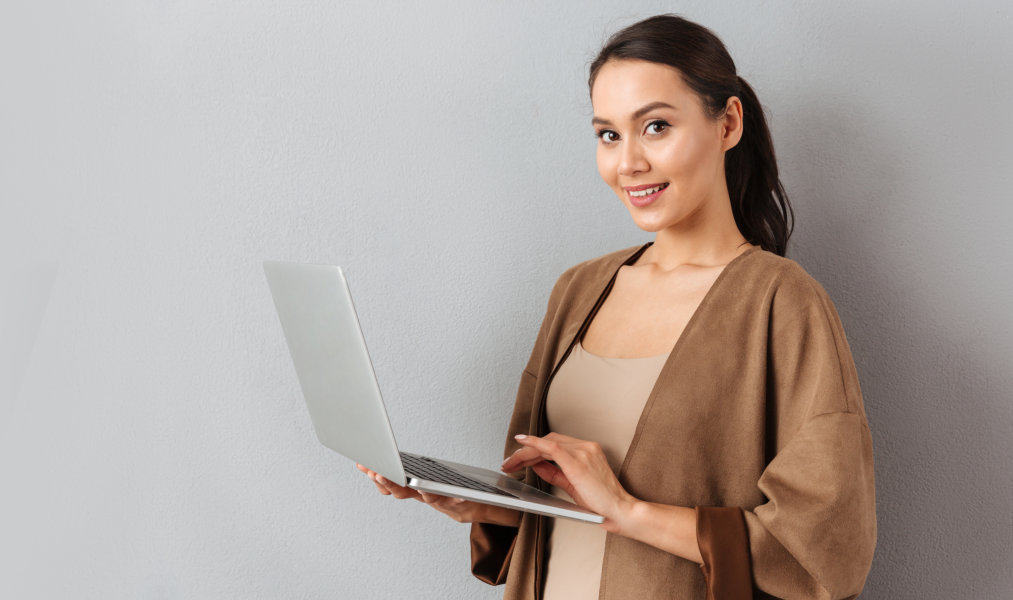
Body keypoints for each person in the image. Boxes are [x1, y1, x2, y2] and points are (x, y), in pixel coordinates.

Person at [357, 14, 876, 600]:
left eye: (655, 126)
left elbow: (825, 549)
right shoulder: (578, 291)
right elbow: (546, 505)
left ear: (727, 123)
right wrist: (469, 500)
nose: (628, 162)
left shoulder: (781, 303)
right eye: (608, 134)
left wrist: (626, 509)